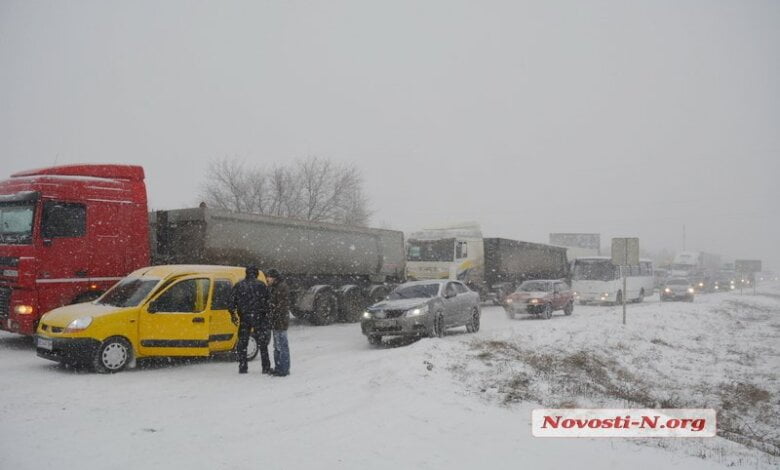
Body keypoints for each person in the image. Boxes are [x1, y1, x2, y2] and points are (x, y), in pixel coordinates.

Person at [229, 265, 271, 374]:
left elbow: (231, 303)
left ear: (246, 273)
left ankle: (243, 367)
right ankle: (266, 367)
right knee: (263, 344)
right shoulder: (261, 285)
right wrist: (266, 315)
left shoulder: (239, 285)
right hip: (259, 317)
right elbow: (268, 302)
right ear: (256, 274)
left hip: (244, 317)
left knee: (243, 343)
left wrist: (233, 315)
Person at [266, 268, 291, 377]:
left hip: (280, 322)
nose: (267, 279)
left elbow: (281, 306)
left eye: (269, 277)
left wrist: (272, 311)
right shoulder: (275, 287)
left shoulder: (281, 287)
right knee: (277, 346)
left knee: (282, 346)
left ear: (274, 278)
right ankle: (278, 367)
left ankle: (283, 369)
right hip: (276, 321)